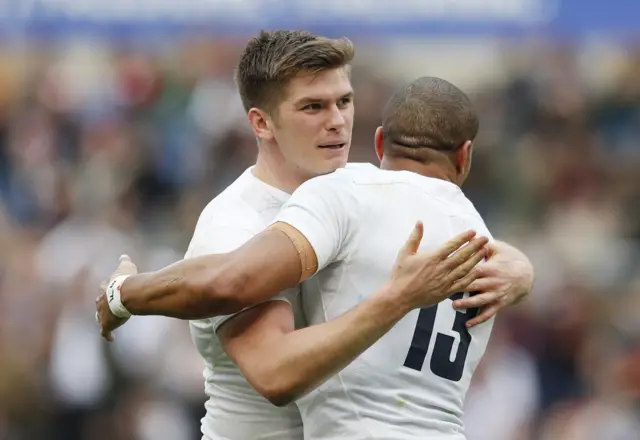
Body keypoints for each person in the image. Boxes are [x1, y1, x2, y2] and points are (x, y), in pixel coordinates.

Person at [97, 30, 534, 439]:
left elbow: (443, 215)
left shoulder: (355, 191)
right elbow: (274, 374)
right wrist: (124, 294)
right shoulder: (237, 223)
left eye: (344, 102)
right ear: (262, 123)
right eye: (313, 107)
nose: (337, 122)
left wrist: (518, 270)